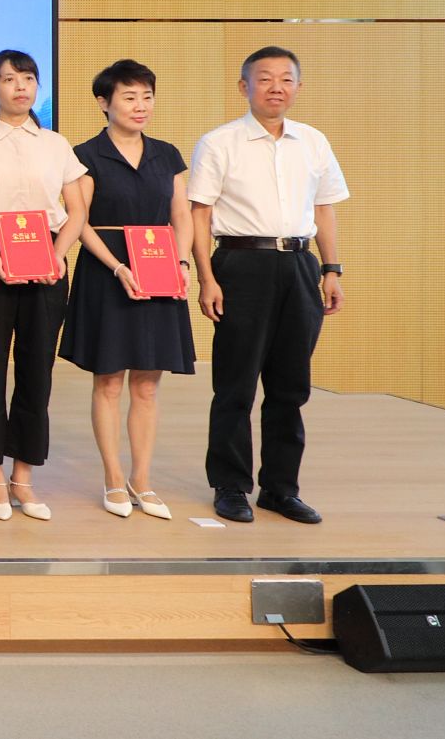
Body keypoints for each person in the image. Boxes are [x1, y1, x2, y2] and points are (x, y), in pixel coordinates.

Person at [190, 46, 348, 525]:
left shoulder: (313, 141)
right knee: (235, 385)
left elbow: (323, 209)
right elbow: (200, 214)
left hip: (300, 265)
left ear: (298, 87)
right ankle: (230, 485)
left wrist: (331, 269)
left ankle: (280, 489)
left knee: (291, 386)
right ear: (245, 87)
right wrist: (206, 277)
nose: (276, 87)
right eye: (264, 79)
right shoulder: (219, 142)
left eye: (285, 79)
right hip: (242, 264)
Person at [0, 50, 86, 522]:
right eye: (8, 79)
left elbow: (76, 210)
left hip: (46, 261)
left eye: (28, 78)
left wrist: (58, 253)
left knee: (37, 371)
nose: (20, 87)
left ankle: (23, 477)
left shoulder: (55, 144)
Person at [59, 58, 195, 520]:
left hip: (159, 269)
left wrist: (181, 262)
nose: (141, 106)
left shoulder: (167, 154)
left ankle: (143, 480)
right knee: (109, 380)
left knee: (148, 385)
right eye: (130, 97)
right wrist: (117, 266)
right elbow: (80, 222)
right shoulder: (85, 155)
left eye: (147, 97)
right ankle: (114, 479)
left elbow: (181, 215)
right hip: (108, 271)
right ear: (104, 102)